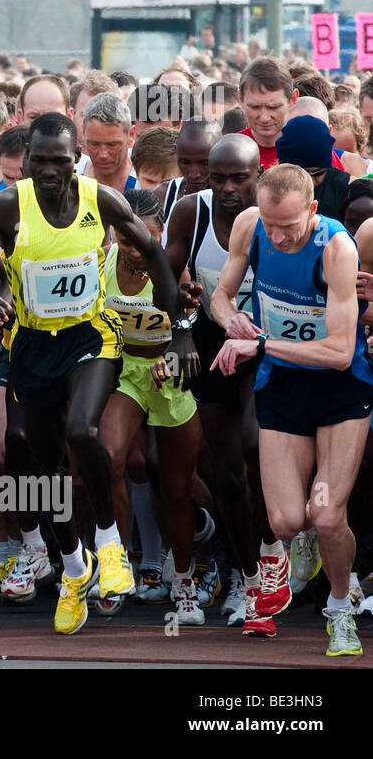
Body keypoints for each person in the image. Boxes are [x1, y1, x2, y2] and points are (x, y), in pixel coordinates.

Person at [0, 112, 196, 635]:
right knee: (42, 468)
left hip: (91, 337)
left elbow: (158, 258)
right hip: (29, 345)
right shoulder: (4, 205)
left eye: (60, 160)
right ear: (26, 162)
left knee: (81, 432)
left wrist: (181, 327)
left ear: (77, 160)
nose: (50, 170)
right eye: (40, 161)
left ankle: (110, 545)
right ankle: (73, 570)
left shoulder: (102, 200)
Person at [210, 164, 370, 657]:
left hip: (340, 393)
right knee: (283, 522)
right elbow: (221, 296)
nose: (278, 237)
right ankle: (306, 543)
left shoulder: (336, 249)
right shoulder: (250, 226)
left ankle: (341, 609)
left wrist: (262, 345)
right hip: (282, 388)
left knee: (324, 515)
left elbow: (341, 350)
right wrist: (231, 321)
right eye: (271, 226)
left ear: (314, 210)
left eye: (290, 227)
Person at [161, 133, 278, 629]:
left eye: (239, 178)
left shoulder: (276, 211)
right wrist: (181, 331)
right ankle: (249, 578)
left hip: (267, 347)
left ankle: (275, 551)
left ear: (259, 177)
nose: (228, 188)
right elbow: (163, 276)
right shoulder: (193, 210)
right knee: (227, 472)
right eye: (219, 177)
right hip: (210, 345)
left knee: (255, 445)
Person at [101, 189, 203, 624]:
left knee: (177, 488)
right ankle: (115, 562)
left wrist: (176, 351)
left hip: (168, 378)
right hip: (123, 372)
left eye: (149, 241)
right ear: (113, 236)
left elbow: (192, 329)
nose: (138, 251)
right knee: (108, 457)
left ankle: (184, 581)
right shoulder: (98, 264)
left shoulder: (177, 273)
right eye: (128, 241)